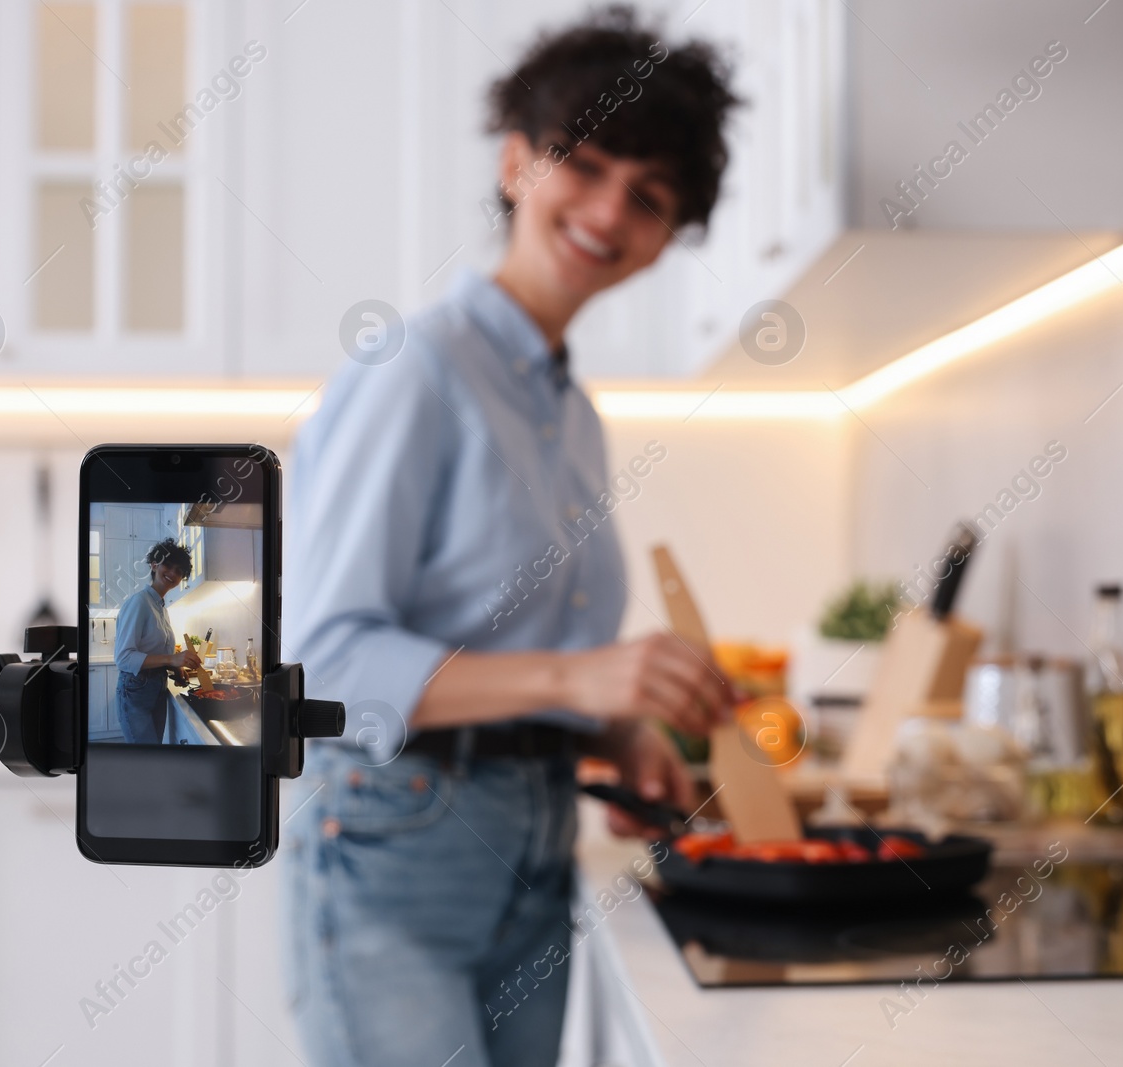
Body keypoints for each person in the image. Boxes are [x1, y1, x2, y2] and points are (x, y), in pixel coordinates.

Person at [283, 8, 740, 1066]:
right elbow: (323, 661)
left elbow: (518, 665)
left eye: (651, 196)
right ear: (516, 162)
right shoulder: (414, 369)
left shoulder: (567, 410)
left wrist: (611, 735)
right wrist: (586, 682)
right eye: (584, 164)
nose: (608, 209)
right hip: (393, 848)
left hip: (536, 845)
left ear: (668, 235)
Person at [113, 537, 201, 744]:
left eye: (179, 571)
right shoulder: (139, 602)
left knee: (153, 751)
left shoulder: (161, 607)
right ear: (154, 565)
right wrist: (172, 660)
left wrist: (177, 670)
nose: (172, 573)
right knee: (145, 759)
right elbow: (124, 658)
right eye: (168, 565)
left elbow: (156, 653)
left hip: (156, 685)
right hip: (136, 688)